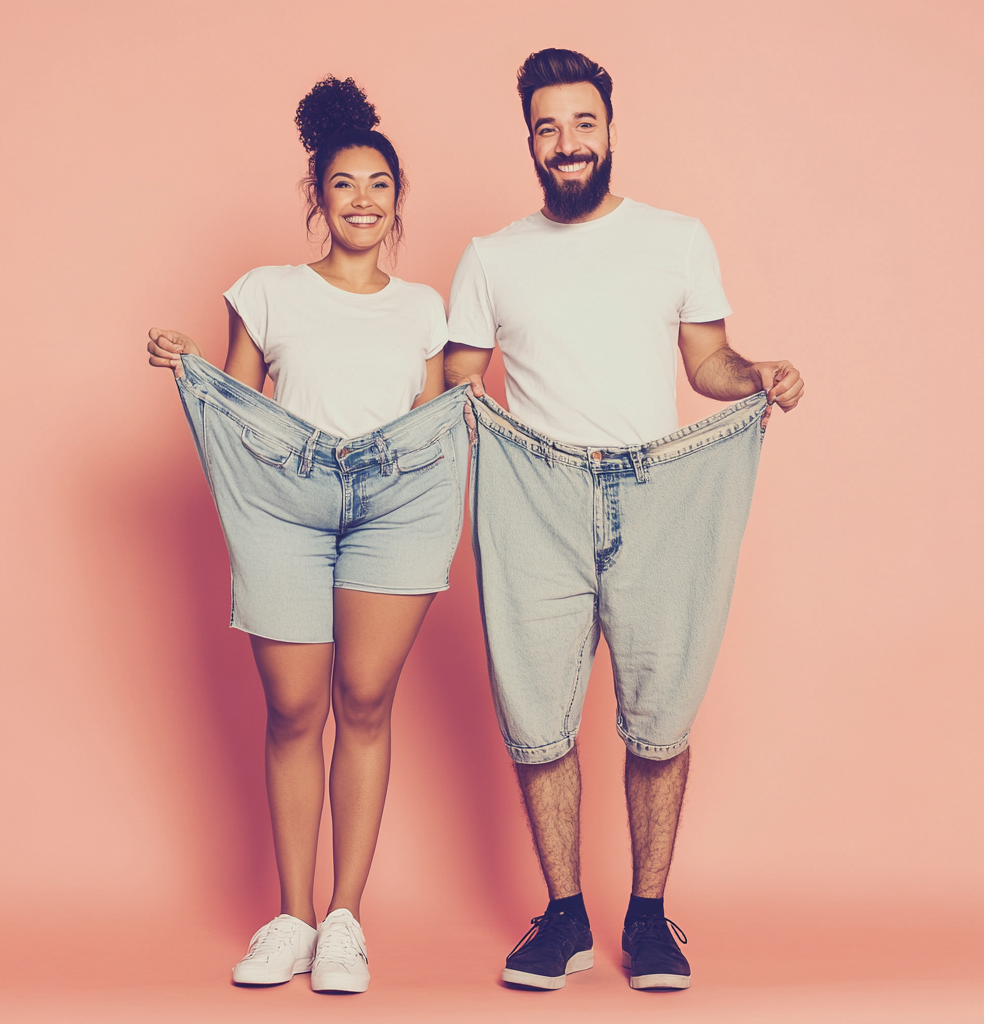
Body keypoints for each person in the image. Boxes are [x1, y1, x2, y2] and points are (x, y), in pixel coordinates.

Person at [444, 48, 805, 992]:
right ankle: (563, 917)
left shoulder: (676, 238)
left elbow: (708, 364)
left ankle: (647, 919)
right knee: (535, 711)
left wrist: (758, 373)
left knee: (661, 710)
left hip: (658, 491)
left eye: (583, 123)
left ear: (610, 130)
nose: (566, 142)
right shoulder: (489, 257)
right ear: (529, 140)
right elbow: (457, 386)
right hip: (535, 491)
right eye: (548, 127)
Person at [147, 76, 468, 994]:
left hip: (394, 504)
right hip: (285, 502)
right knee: (295, 709)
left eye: (378, 185)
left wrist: (467, 412)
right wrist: (192, 373)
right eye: (342, 185)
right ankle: (290, 915)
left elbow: (432, 419)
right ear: (317, 200)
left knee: (366, 701)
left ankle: (344, 921)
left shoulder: (425, 309)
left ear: (397, 200)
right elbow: (244, 415)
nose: (362, 200)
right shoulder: (268, 290)